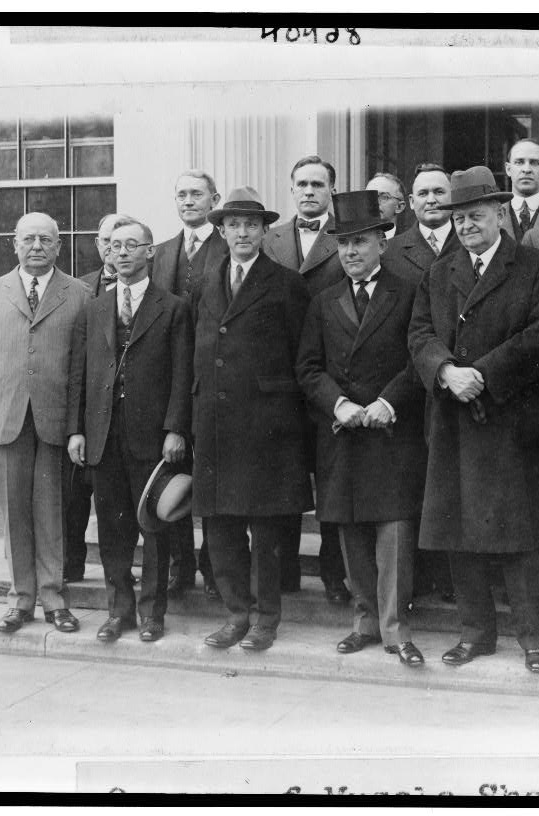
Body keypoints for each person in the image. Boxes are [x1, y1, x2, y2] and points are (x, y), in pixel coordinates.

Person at [408, 166, 539, 674]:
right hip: (455, 419)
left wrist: (483, 374)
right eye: (458, 219)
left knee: (520, 539)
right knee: (460, 534)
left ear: (500, 213)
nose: (466, 226)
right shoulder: (439, 273)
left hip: (512, 423)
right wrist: (447, 371)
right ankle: (475, 634)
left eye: (476, 215)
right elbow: (419, 336)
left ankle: (532, 639)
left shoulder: (536, 268)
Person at [296, 190, 428, 667]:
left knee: (392, 533)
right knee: (350, 529)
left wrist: (387, 402)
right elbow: (309, 368)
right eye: (344, 244)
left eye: (361, 242)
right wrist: (340, 404)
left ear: (382, 242)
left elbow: (420, 357)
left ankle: (396, 628)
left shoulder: (410, 292)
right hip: (343, 432)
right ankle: (365, 621)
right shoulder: (323, 299)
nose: (351, 252)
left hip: (391, 432)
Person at [0, 212, 91, 634]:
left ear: (58, 247)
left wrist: (78, 427)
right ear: (13, 244)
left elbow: (84, 369)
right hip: (4, 416)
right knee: (14, 512)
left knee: (51, 511)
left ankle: (54, 598)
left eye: (46, 240)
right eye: (28, 239)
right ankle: (20, 600)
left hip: (54, 420)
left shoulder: (80, 294)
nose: (37, 246)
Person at [194, 187, 313, 652]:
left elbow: (303, 357)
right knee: (221, 529)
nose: (242, 232)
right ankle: (235, 614)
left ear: (265, 231)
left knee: (265, 534)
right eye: (233, 225)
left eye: (251, 224)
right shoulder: (206, 281)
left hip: (267, 428)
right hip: (216, 425)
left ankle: (266, 619)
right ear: (221, 231)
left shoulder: (286, 284)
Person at [67, 219, 193, 642]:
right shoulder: (95, 306)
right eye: (114, 246)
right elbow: (81, 373)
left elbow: (182, 374)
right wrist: (76, 431)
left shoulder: (172, 307)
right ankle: (118, 611)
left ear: (150, 251)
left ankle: (152, 613)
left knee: (153, 527)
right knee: (112, 530)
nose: (121, 252)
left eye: (131, 245)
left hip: (152, 438)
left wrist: (175, 429)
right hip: (103, 436)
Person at [262, 155, 350, 603]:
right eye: (302, 184)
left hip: (330, 376)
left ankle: (336, 576)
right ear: (291, 189)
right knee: (282, 477)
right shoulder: (270, 238)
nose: (310, 191)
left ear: (332, 190)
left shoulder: (347, 236)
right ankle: (285, 572)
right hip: (278, 379)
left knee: (331, 479)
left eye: (319, 184)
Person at [380, 162, 458, 602]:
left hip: (460, 381)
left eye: (439, 192)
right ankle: (421, 578)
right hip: (411, 386)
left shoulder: (468, 242)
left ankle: (452, 580)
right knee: (416, 486)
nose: (431, 200)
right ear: (409, 203)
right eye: (423, 193)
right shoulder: (393, 251)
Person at [150, 170, 228, 598]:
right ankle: (180, 566)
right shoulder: (160, 253)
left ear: (214, 198)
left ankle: (215, 569)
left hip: (217, 381)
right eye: (181, 194)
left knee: (214, 479)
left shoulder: (230, 247)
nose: (188, 201)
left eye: (197, 194)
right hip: (169, 385)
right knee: (172, 477)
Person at [62, 212, 134, 584]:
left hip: (126, 416)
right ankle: (72, 565)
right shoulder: (79, 289)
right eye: (108, 241)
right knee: (75, 497)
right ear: (99, 245)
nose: (114, 248)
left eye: (123, 242)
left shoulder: (149, 290)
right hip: (88, 413)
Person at [365, 172, 407, 240]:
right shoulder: (351, 242)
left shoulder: (408, 243)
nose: (374, 203)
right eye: (370, 197)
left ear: (399, 207)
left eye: (384, 197)